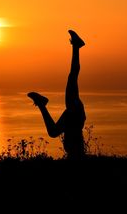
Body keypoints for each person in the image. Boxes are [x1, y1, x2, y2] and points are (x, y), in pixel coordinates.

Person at [27, 29, 86, 159]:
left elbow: (54, 132)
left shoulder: (71, 134)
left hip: (74, 117)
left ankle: (42, 104)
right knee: (72, 77)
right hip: (75, 114)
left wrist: (42, 106)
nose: (64, 140)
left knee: (53, 132)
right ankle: (76, 46)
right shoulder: (74, 130)